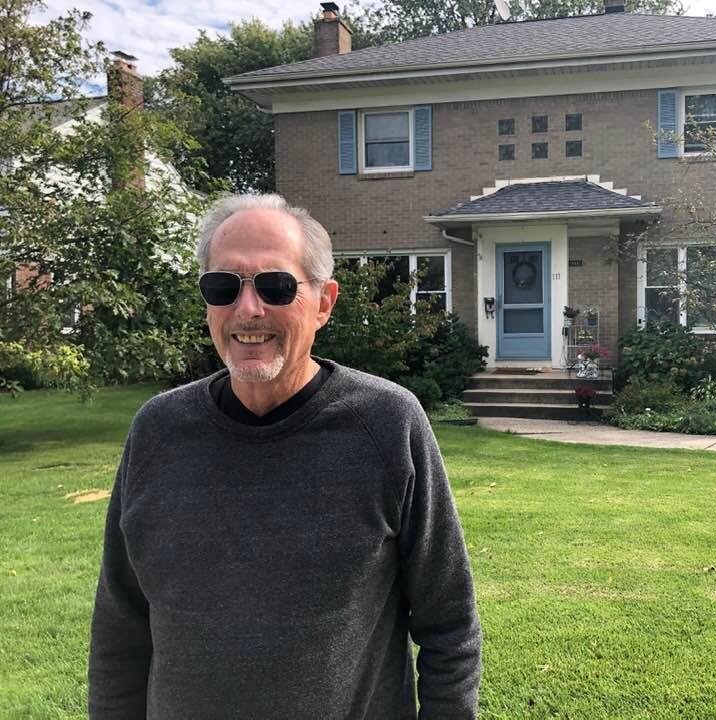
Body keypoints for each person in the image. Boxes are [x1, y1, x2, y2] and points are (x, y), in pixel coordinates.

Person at [88, 194, 482, 719]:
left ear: (324, 302)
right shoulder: (158, 432)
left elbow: (449, 624)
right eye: (224, 286)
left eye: (275, 286)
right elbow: (120, 626)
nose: (248, 309)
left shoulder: (386, 425)